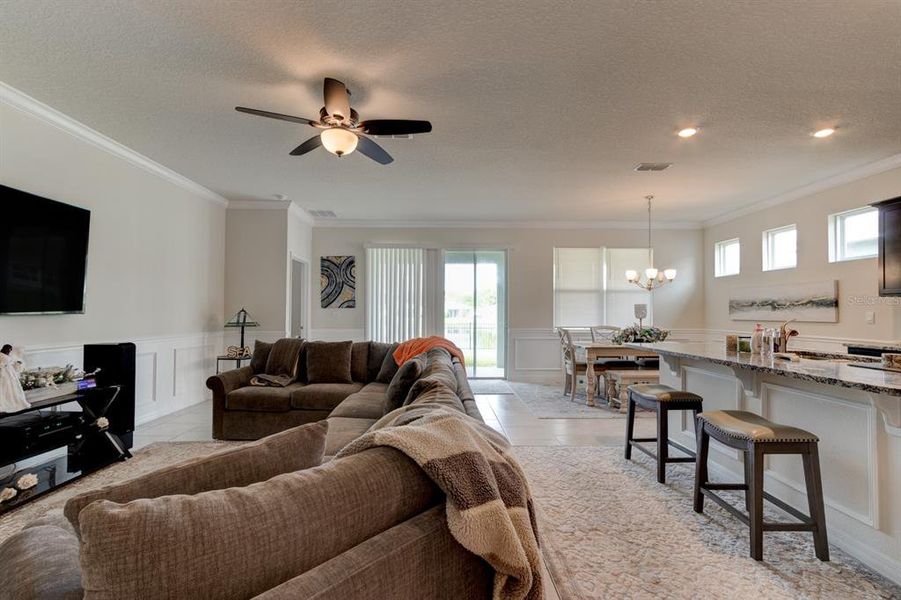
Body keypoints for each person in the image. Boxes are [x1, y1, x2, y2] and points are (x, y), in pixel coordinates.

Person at [0, 345, 29, 413]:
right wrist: (5, 366)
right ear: (6, 349)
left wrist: (16, 363)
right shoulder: (2, 355)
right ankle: (7, 402)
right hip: (5, 372)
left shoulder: (6, 355)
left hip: (10, 371)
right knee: (6, 386)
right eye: (9, 349)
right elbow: (1, 364)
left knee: (12, 385)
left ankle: (14, 399)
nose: (10, 351)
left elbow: (10, 362)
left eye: (11, 349)